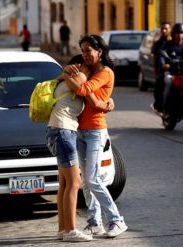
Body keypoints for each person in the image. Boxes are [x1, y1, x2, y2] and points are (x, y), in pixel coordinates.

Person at [62, 35, 128, 238]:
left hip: (96, 131)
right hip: (80, 131)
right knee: (85, 180)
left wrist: (71, 78)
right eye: (82, 50)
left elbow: (83, 89)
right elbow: (70, 78)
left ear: (99, 51)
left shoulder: (105, 72)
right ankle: (94, 222)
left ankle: (116, 220)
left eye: (89, 49)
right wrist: (69, 74)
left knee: (92, 178)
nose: (85, 54)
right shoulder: (87, 70)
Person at [46, 54, 114, 242]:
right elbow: (93, 100)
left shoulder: (63, 79)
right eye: (85, 67)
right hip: (64, 132)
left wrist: (64, 73)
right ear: (77, 65)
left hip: (55, 131)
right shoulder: (78, 77)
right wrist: (107, 105)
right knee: (75, 183)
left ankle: (62, 229)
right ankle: (71, 230)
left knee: (65, 184)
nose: (88, 73)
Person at [150, 21, 172, 114]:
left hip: (176, 69)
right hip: (163, 70)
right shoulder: (158, 44)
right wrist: (157, 72)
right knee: (160, 87)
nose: (164, 30)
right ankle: (159, 106)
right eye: (162, 29)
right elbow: (155, 59)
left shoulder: (174, 42)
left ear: (170, 30)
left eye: (166, 28)